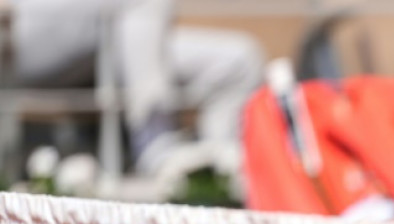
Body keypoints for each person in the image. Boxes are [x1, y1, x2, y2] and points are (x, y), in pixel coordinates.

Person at [6, 0, 264, 197]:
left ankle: (216, 177)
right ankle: (157, 149)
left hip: (101, 33)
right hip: (16, 28)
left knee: (238, 62)